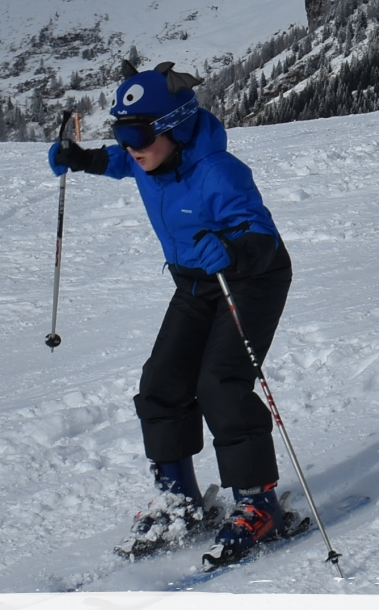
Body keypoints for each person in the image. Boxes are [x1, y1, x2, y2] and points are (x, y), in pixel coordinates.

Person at [48, 61, 296, 567]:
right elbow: (119, 162)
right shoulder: (147, 159)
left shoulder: (218, 171)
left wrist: (232, 250)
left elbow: (262, 238)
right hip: (194, 282)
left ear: (175, 129)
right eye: (121, 132)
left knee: (220, 384)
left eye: (137, 134)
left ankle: (258, 502)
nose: (130, 146)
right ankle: (179, 498)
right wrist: (80, 158)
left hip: (249, 279)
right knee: (161, 382)